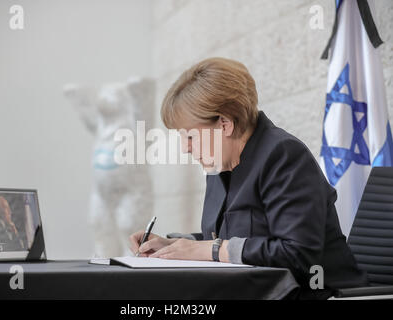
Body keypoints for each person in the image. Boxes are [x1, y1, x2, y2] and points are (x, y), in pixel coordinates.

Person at [129, 57, 368, 299]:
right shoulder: (219, 164)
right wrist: (175, 246)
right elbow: (227, 239)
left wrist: (208, 250)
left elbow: (297, 255)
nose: (185, 148)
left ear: (224, 124)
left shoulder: (283, 156)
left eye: (190, 137)